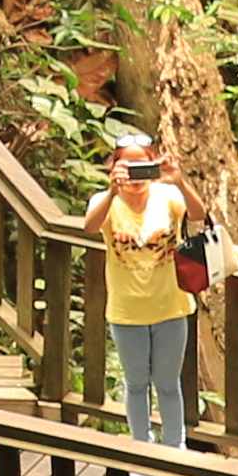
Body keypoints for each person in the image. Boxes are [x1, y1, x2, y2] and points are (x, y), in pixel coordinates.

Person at [87, 141, 201, 451]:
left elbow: (199, 214)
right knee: (136, 385)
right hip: (127, 310)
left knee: (168, 384)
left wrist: (179, 181)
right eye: (128, 167)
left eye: (143, 167)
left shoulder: (167, 196)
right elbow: (90, 227)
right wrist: (112, 191)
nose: (136, 176)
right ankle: (141, 448)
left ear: (153, 166)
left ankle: (175, 447)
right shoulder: (105, 201)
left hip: (171, 305)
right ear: (114, 168)